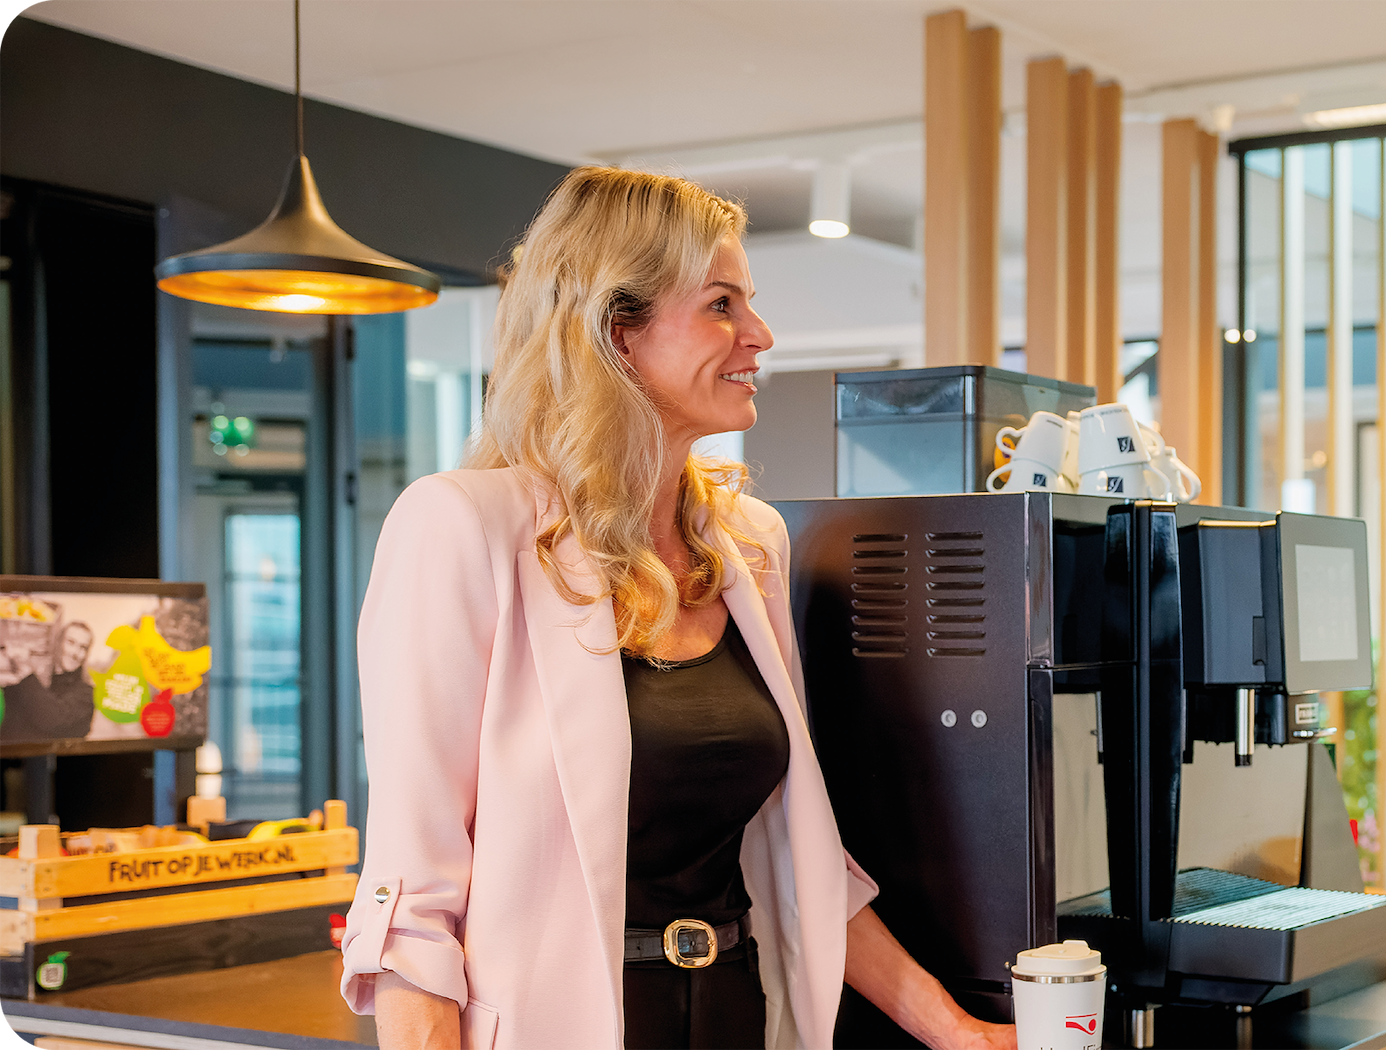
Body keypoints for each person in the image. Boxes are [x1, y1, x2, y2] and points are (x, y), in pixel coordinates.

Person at [340, 167, 1016, 1050]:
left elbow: (800, 861)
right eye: (722, 305)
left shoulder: (748, 545)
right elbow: (412, 904)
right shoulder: (462, 526)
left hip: (737, 1015)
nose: (760, 335)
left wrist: (959, 1033)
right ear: (615, 330)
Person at [0, 621, 96, 741]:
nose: (75, 653)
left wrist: (26, 671)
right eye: (70, 642)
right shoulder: (35, 679)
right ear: (58, 642)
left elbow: (53, 720)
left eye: (83, 647)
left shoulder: (85, 693)